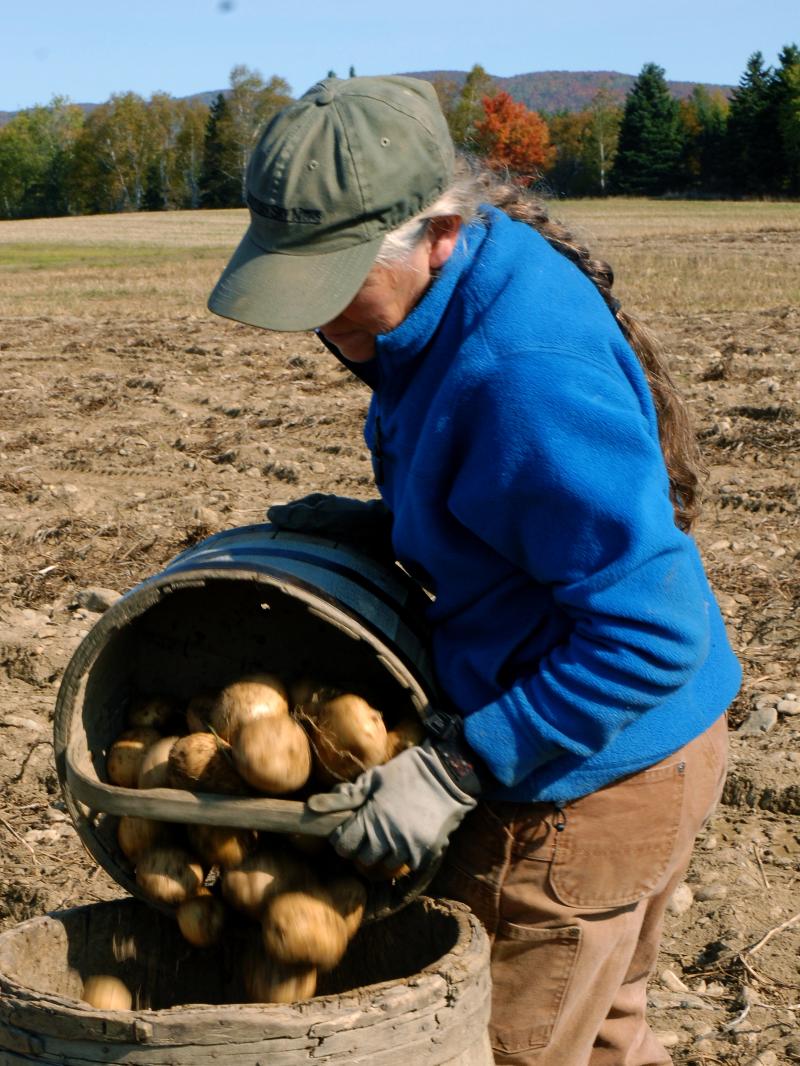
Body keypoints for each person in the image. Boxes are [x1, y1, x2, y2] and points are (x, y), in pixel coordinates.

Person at [208, 75, 741, 1066]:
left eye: (335, 284)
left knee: (496, 1049)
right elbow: (522, 517)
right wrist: (385, 528)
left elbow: (648, 628)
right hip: (643, 754)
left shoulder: (514, 370)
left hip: (586, 787)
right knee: (606, 1031)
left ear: (437, 232)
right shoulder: (452, 301)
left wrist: (456, 767)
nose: (321, 325)